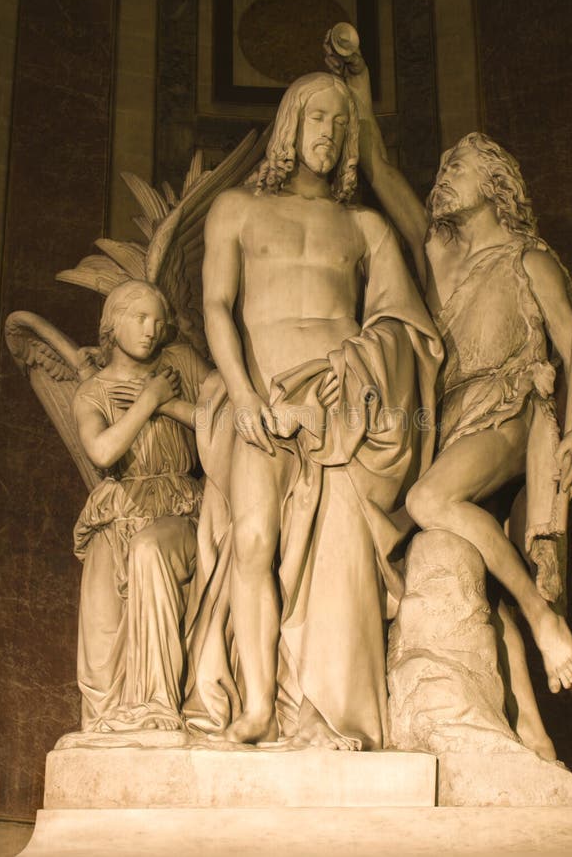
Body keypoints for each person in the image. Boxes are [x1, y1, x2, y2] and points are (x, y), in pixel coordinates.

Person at [329, 43, 572, 752]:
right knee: (441, 550)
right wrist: (359, 92)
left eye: (458, 167)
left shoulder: (529, 259)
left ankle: (543, 618)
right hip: (445, 419)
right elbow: (383, 173)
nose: (443, 178)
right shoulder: (444, 256)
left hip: (509, 410)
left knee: (426, 503)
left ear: (497, 181)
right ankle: (533, 733)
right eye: (444, 167)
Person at [184, 71, 442, 749]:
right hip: (262, 400)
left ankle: (325, 708)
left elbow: (406, 326)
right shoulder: (236, 209)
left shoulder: (365, 227)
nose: (327, 133)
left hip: (340, 412)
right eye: (317, 118)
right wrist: (240, 393)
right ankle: (260, 705)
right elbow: (215, 306)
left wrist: (360, 372)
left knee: (336, 561)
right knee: (253, 540)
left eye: (340, 124)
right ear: (291, 123)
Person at [72, 280, 210, 732]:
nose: (151, 330)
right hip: (116, 514)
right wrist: (149, 401)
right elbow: (102, 452)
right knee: (101, 647)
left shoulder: (181, 366)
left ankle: (156, 705)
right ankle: (109, 724)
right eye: (139, 318)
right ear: (113, 323)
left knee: (150, 551)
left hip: (177, 508)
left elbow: (224, 420)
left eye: (157, 321)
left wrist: (170, 406)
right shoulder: (92, 392)